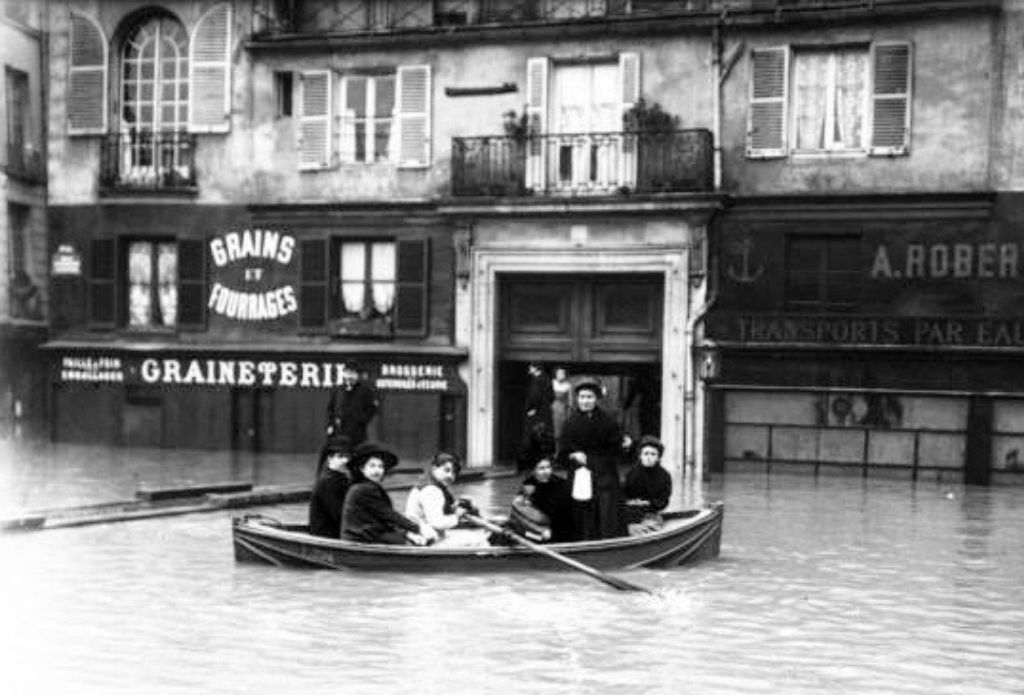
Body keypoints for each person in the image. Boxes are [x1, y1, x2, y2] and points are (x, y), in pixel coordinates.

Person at [557, 379, 632, 541]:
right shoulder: (569, 423)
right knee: (581, 511)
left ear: (596, 399)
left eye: (589, 397)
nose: (585, 401)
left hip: (604, 473)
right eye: (582, 397)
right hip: (580, 475)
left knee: (606, 510)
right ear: (577, 399)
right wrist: (573, 455)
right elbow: (561, 455)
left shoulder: (608, 421)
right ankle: (581, 542)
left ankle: (608, 542)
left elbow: (617, 450)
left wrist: (626, 444)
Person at [340, 442, 437, 545]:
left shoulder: (365, 486)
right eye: (372, 466)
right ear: (362, 469)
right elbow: (388, 515)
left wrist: (407, 533)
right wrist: (418, 529)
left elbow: (384, 518)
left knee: (413, 539)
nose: (377, 471)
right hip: (361, 538)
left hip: (369, 533)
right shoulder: (364, 489)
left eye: (380, 466)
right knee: (411, 544)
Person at [404, 452, 477, 543]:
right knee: (478, 539)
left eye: (454, 472)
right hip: (426, 540)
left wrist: (455, 507)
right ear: (434, 468)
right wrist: (457, 516)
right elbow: (437, 523)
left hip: (423, 534)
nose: (450, 476)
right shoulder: (431, 490)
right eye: (446, 470)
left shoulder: (427, 484)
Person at [622, 435, 673, 535]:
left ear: (658, 458)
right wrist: (632, 502)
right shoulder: (631, 473)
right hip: (631, 512)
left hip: (651, 513)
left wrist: (648, 503)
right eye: (646, 454)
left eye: (653, 454)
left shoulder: (665, 476)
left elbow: (663, 500)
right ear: (640, 456)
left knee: (649, 527)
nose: (649, 457)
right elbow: (622, 494)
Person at [518, 456, 576, 543]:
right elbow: (522, 510)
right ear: (533, 471)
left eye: (548, 467)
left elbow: (566, 515)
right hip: (537, 531)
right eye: (541, 468)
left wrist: (547, 530)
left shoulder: (562, 485)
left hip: (559, 532)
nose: (546, 472)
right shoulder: (528, 484)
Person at [308, 435, 353, 538]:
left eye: (347, 457)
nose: (345, 461)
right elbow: (338, 514)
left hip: (336, 530)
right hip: (326, 535)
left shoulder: (341, 477)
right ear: (330, 458)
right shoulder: (328, 481)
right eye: (340, 456)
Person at [326, 361, 378, 447]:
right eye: (347, 373)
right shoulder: (338, 390)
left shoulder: (365, 390)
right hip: (339, 431)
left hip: (357, 433)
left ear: (357, 375)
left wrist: (362, 420)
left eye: (352, 373)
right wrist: (331, 424)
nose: (350, 376)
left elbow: (372, 409)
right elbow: (331, 409)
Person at [518, 362, 554, 471]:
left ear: (535, 369)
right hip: (545, 413)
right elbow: (551, 397)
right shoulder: (547, 380)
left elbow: (534, 396)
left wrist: (530, 408)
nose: (529, 369)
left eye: (531, 367)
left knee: (530, 437)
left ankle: (528, 464)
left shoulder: (537, 380)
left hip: (536, 414)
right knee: (544, 437)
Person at [550, 367, 572, 451]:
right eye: (559, 373)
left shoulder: (567, 385)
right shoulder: (552, 383)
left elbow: (570, 401)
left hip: (562, 409)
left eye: (562, 373)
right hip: (552, 406)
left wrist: (568, 411)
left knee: (560, 432)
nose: (560, 375)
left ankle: (559, 450)